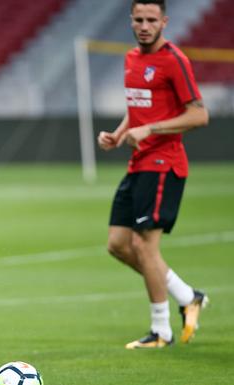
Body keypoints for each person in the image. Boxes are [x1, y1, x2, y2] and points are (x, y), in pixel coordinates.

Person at [97, 0, 210, 349]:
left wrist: (152, 131)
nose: (144, 25)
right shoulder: (132, 58)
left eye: (151, 19)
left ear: (164, 21)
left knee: (145, 246)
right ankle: (187, 295)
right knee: (118, 244)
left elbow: (199, 115)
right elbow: (139, 107)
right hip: (138, 163)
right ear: (131, 21)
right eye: (139, 19)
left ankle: (161, 330)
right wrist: (119, 133)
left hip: (164, 163)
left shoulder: (174, 61)